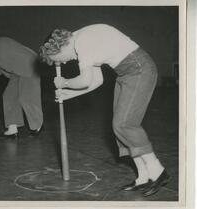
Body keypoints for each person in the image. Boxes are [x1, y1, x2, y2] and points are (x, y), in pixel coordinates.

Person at [39, 24, 170, 197]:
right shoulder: (81, 41)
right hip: (126, 74)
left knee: (124, 124)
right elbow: (96, 81)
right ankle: (143, 177)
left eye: (58, 59)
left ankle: (158, 171)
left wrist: (64, 82)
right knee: (119, 128)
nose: (62, 62)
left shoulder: (82, 42)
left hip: (139, 68)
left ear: (60, 46)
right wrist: (68, 94)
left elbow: (85, 80)